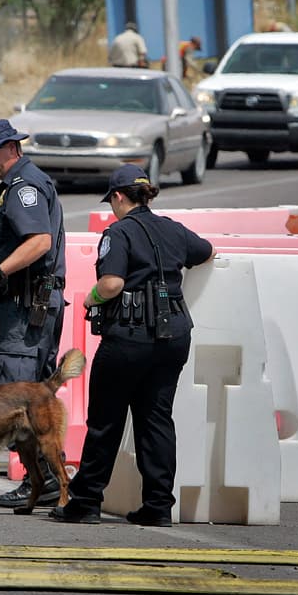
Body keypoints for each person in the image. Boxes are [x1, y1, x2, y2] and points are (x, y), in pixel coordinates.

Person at [49, 164, 214, 526]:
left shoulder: (118, 233)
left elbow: (111, 284)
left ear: (119, 197)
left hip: (127, 338)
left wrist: (90, 299)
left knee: (106, 421)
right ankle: (158, 506)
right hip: (172, 338)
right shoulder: (172, 228)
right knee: (155, 420)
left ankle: (86, 501)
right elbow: (207, 252)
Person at [0, 118, 67, 510]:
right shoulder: (20, 185)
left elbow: (39, 241)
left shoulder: (24, 187)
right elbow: (21, 244)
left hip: (26, 311)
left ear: (12, 148)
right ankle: (47, 480)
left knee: (13, 398)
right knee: (32, 396)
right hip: (29, 306)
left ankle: (41, 481)